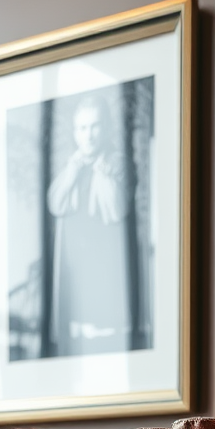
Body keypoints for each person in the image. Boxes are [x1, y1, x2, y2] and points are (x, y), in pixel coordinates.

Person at [47, 92, 131, 355]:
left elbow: (118, 209)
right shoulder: (70, 167)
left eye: (95, 126)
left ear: (105, 128)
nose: (89, 135)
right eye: (82, 128)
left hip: (105, 270)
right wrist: (73, 169)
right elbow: (55, 202)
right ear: (75, 133)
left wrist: (104, 174)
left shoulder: (117, 165)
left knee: (104, 345)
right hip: (75, 274)